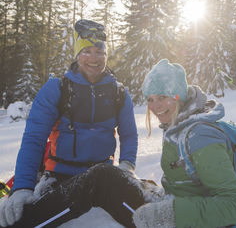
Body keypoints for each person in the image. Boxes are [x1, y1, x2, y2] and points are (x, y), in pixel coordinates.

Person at [0, 19, 138, 227]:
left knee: (142, 212)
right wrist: (22, 188)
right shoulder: (57, 89)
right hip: (59, 178)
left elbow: (129, 134)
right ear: (77, 54)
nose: (94, 58)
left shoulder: (118, 93)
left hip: (104, 178)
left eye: (99, 52)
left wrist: (127, 165)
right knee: (22, 220)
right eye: (87, 51)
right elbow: (34, 139)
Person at [132, 59, 236, 227]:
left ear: (178, 96)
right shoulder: (175, 124)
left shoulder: (199, 137)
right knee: (107, 176)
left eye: (162, 97)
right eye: (150, 99)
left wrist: (169, 213)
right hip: (179, 205)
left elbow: (235, 206)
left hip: (196, 221)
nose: (155, 106)